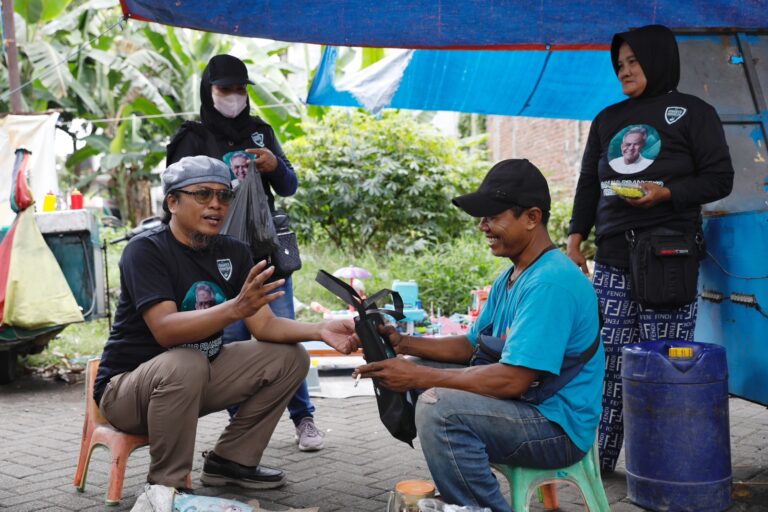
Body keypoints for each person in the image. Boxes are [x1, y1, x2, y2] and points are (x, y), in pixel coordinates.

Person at [93, 156, 357, 490]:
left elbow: (264, 326)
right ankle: (167, 487)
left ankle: (231, 462)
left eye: (224, 196)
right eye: (203, 195)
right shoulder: (145, 250)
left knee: (290, 358)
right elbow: (166, 329)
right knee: (185, 361)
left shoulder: (234, 251)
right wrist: (234, 309)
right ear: (172, 201)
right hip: (127, 391)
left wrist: (320, 330)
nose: (216, 205)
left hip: (194, 378)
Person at [355, 160, 604, 512]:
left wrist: (420, 377)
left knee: (439, 409)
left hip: (557, 428)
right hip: (531, 406)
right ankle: (463, 487)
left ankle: (478, 506)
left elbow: (513, 381)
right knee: (420, 369)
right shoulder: (514, 275)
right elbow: (473, 345)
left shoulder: (550, 282)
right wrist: (403, 344)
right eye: (482, 218)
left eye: (493, 216)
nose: (483, 227)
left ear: (532, 217)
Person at [566, 25, 734, 472]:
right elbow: (589, 183)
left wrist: (666, 194)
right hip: (614, 259)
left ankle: (661, 465)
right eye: (619, 64)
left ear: (657, 59)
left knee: (663, 364)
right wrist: (575, 238)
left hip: (668, 259)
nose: (625, 70)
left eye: (634, 61)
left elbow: (720, 179)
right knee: (606, 363)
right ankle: (597, 465)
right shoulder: (607, 119)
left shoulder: (695, 113)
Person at [166, 54, 325, 452]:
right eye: (225, 89)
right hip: (215, 257)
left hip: (263, 253)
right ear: (209, 91)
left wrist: (273, 165)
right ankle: (244, 429)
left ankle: (304, 419)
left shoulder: (261, 131)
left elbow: (288, 185)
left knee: (282, 333)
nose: (234, 97)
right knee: (233, 341)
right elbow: (172, 197)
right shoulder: (192, 137)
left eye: (240, 89)